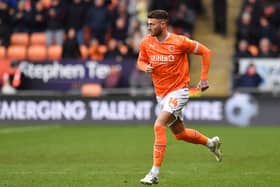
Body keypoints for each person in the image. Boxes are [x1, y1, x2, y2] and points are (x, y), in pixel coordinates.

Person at [137, 10, 222, 185]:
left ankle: (154, 174)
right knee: (180, 134)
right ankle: (211, 143)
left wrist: (204, 78)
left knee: (158, 125)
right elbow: (140, 60)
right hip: (161, 94)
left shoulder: (179, 41)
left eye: (152, 24)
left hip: (179, 91)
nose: (149, 27)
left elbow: (206, 52)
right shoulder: (146, 42)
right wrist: (144, 67)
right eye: (148, 24)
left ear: (163, 24)